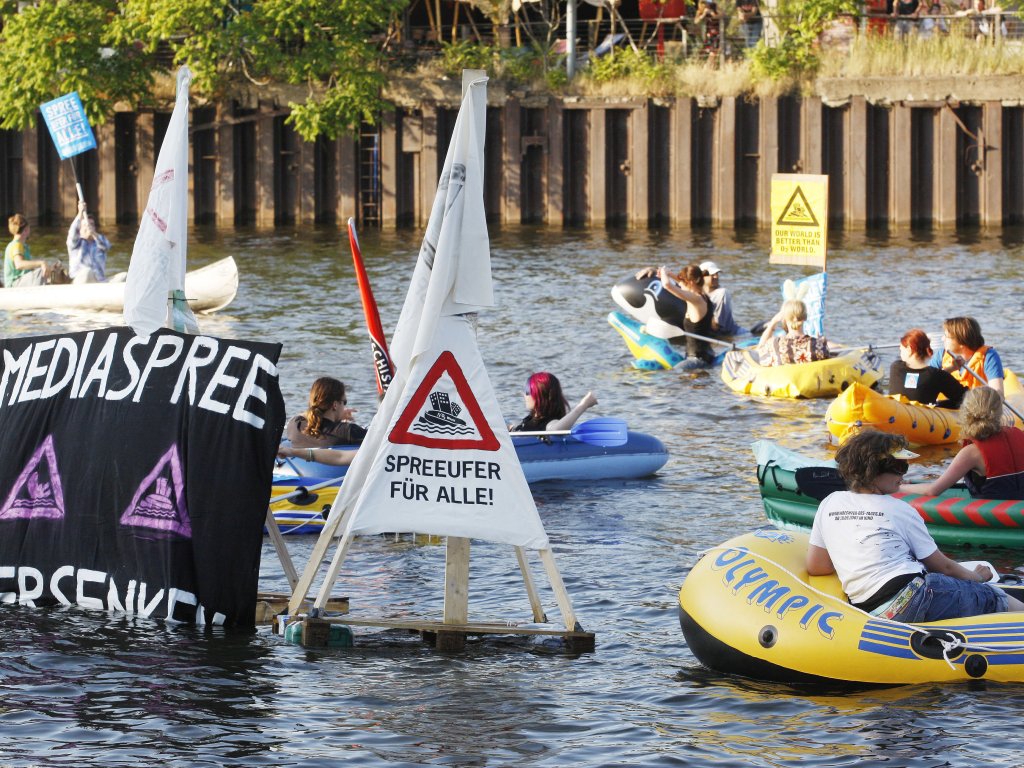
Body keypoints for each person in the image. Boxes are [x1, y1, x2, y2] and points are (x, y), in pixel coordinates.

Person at [806, 428, 1024, 622]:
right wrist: (978, 578)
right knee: (994, 596)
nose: (904, 474)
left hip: (871, 606)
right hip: (914, 596)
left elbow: (817, 566)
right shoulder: (900, 509)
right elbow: (943, 566)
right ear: (873, 470)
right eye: (898, 466)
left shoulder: (830, 502)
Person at [900, 387, 1024, 499]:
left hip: (993, 517)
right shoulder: (1020, 434)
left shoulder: (971, 453)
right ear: (1000, 412)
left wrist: (898, 488)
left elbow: (932, 491)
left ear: (965, 412)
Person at [888, 328, 966, 408]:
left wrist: (951, 368)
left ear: (909, 349)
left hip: (895, 415)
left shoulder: (895, 367)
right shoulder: (936, 375)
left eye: (901, 350)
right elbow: (963, 396)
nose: (900, 355)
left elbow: (923, 378)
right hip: (922, 417)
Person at [285, 377, 367, 449]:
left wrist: (337, 414)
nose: (344, 407)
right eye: (344, 402)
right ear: (335, 405)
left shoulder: (295, 425)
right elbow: (377, 440)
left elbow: (301, 415)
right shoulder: (348, 431)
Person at [658, 264, 716, 365]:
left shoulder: (695, 299)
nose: (680, 285)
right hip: (708, 354)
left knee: (673, 375)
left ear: (691, 282)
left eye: (683, 283)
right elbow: (681, 282)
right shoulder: (704, 296)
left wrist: (663, 271)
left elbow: (667, 285)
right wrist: (670, 274)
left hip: (697, 359)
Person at [931, 315, 1003, 395]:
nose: (942, 339)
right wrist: (951, 368)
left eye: (946, 336)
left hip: (977, 403)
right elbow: (926, 382)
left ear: (961, 342)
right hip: (945, 404)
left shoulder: (989, 356)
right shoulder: (941, 355)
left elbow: (998, 394)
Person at [510, 372, 598, 432]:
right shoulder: (529, 419)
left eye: (527, 391)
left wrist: (583, 405)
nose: (523, 394)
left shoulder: (550, 424)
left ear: (540, 396)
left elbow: (556, 431)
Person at [756, 299, 829, 366]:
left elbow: (759, 350)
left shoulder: (775, 345)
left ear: (784, 319)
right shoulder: (819, 345)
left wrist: (773, 323)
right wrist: (820, 340)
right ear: (805, 317)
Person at [4, 214, 66, 288]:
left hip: (21, 281)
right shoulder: (16, 245)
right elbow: (19, 264)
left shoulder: (24, 246)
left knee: (48, 272)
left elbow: (27, 270)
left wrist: (49, 268)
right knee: (40, 272)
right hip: (13, 284)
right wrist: (41, 263)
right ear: (26, 230)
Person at [699, 260, 748, 337]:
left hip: (735, 334)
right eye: (712, 274)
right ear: (702, 277)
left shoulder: (721, 293)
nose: (716, 277)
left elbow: (717, 326)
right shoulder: (697, 293)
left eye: (717, 274)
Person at [67, 200, 111, 283]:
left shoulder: (99, 243)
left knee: (124, 276)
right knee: (87, 272)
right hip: (80, 280)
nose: (88, 227)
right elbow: (73, 233)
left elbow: (107, 246)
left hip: (99, 281)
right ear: (79, 229)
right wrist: (80, 213)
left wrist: (94, 234)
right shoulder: (75, 244)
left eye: (91, 225)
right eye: (85, 225)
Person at [277, 443, 357, 467]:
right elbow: (340, 457)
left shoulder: (295, 424)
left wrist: (293, 452)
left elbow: (341, 457)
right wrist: (292, 452)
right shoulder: (346, 430)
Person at [694, 0, 721, 65]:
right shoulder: (699, 11)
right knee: (703, 51)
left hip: (714, 33)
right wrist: (703, 14)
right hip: (703, 35)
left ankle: (708, 66)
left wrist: (712, 14)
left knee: (713, 51)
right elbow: (696, 22)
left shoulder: (715, 9)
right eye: (704, 3)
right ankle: (701, 65)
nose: (706, 5)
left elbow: (721, 16)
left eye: (708, 3)